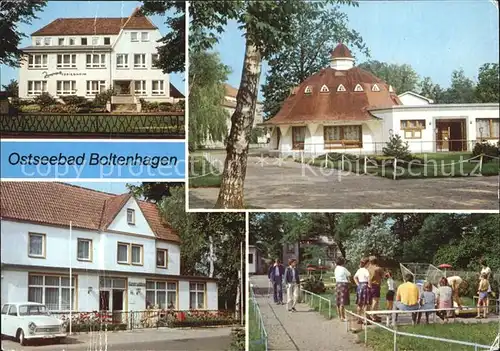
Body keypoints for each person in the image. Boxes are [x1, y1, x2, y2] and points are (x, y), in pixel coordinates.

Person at [353, 257, 371, 324]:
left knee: (359, 303)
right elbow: (369, 278)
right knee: (366, 303)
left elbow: (354, 277)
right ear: (367, 263)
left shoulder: (359, 270)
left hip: (360, 286)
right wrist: (369, 286)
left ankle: (358, 319)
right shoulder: (366, 270)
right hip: (365, 286)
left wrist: (358, 284)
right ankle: (366, 320)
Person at [367, 256, 384, 323]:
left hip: (368, 285)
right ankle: (373, 316)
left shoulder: (367, 268)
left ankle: (368, 315)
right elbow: (383, 276)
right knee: (375, 301)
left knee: (369, 301)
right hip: (375, 286)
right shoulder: (378, 268)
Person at [334, 256, 351, 322]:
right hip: (343, 285)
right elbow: (349, 274)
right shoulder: (343, 269)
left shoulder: (336, 268)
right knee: (342, 302)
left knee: (338, 302)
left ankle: (339, 316)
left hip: (337, 284)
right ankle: (343, 317)